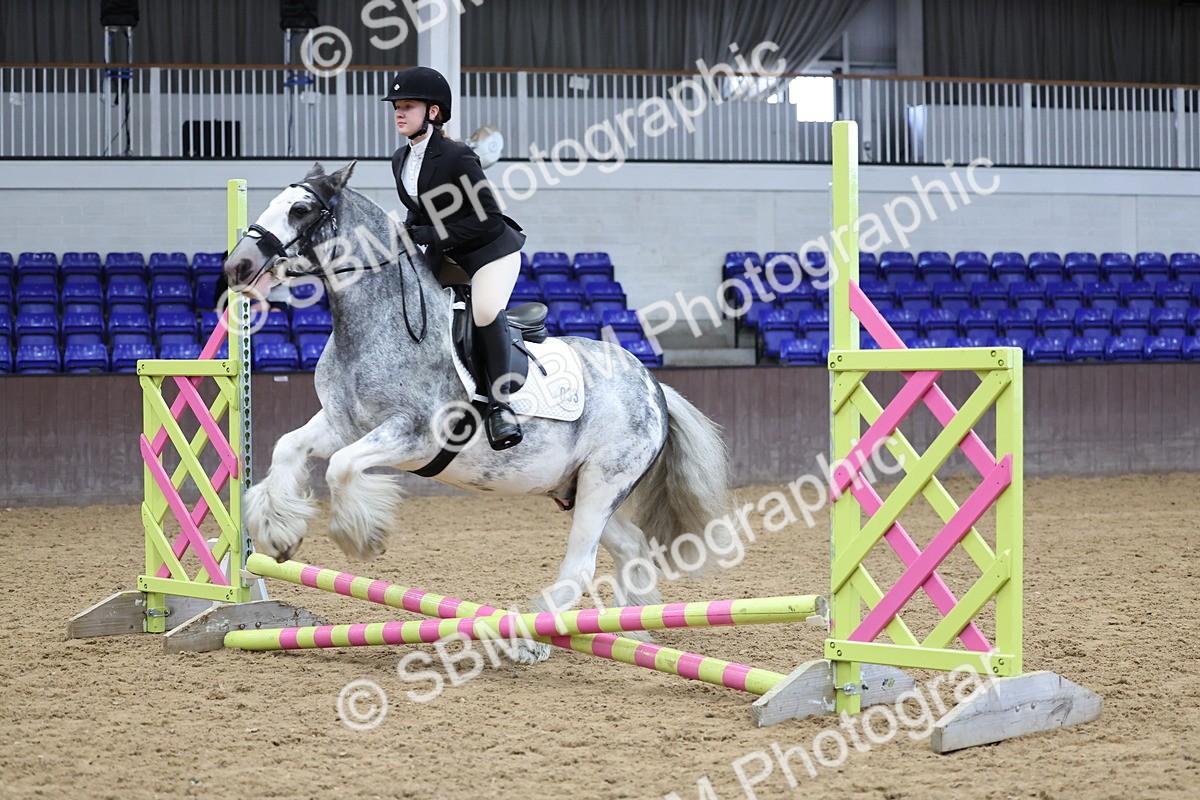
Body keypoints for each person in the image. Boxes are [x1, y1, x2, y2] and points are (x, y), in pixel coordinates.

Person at [383, 66, 526, 451]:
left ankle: (500, 406)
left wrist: (430, 235)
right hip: (447, 252)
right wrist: (404, 238)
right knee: (410, 306)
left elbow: (488, 218)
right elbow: (419, 212)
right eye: (396, 106)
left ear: (433, 112)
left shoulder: (458, 155)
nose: (399, 112)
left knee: (482, 311)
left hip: (489, 252)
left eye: (408, 106)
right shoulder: (400, 159)